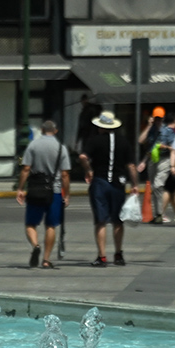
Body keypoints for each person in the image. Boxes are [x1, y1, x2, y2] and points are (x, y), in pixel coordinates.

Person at [77, 110, 137, 267]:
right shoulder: (124, 141)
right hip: (118, 183)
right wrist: (135, 184)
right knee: (118, 221)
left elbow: (83, 157)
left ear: (101, 127)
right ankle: (118, 254)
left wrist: (88, 170)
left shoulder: (95, 140)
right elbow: (130, 165)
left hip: (100, 181)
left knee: (101, 221)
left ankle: (102, 256)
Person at [15, 120, 70, 269]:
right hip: (55, 191)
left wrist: (20, 188)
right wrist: (67, 194)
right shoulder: (61, 148)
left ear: (41, 130)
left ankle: (35, 245)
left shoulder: (33, 145)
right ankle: (46, 259)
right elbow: (65, 174)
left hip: (35, 189)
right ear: (56, 131)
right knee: (51, 226)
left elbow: (26, 169)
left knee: (30, 224)